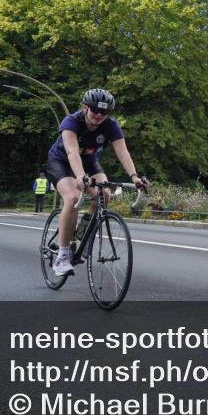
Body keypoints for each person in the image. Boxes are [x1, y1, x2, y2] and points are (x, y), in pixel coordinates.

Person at [46, 88, 146, 276]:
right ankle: (62, 256)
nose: (99, 115)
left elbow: (123, 152)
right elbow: (72, 152)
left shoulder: (111, 126)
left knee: (104, 194)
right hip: (62, 162)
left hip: (90, 163)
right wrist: (79, 176)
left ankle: (83, 232)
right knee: (73, 197)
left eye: (104, 112)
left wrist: (134, 177)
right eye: (95, 110)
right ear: (85, 107)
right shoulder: (72, 122)